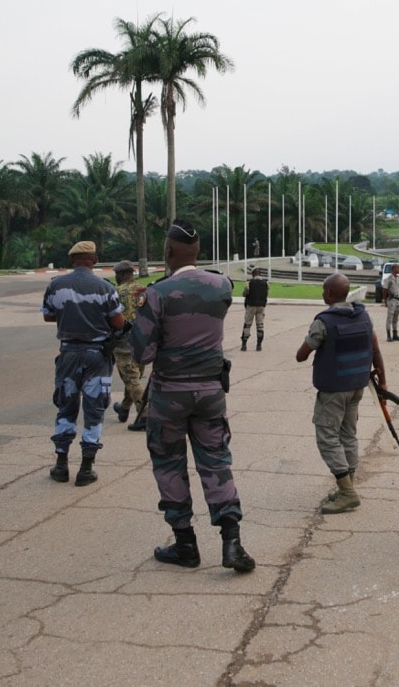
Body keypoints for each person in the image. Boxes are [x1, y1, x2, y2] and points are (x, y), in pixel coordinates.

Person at [129, 219, 255, 573]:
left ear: (168, 251)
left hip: (170, 393)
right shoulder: (221, 286)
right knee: (216, 461)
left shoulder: (158, 293)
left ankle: (185, 545)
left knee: (169, 464)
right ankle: (232, 543)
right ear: (197, 252)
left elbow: (141, 354)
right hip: (211, 391)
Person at [295, 273, 388, 514]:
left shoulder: (324, 321)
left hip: (334, 389)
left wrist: (308, 347)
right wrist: (384, 381)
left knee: (327, 437)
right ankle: (349, 485)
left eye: (324, 291)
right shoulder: (363, 316)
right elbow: (375, 349)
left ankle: (347, 493)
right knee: (348, 435)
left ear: (331, 294)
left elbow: (301, 354)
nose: (322, 294)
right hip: (357, 386)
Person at [41, 241, 125, 486]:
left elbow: (48, 314)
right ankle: (86, 468)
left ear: (71, 260)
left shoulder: (56, 285)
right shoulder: (105, 287)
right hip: (97, 356)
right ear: (95, 260)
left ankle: (60, 466)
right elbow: (118, 322)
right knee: (94, 410)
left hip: (68, 354)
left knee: (65, 408)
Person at [110, 260, 148, 430]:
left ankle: (145, 415)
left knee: (131, 379)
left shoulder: (116, 292)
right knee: (134, 377)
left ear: (121, 274)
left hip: (123, 341)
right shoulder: (144, 291)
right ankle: (124, 408)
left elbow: (110, 318)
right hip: (143, 341)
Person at [240, 267, 269, 351]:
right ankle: (259, 345)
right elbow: (266, 293)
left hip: (251, 306)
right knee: (260, 325)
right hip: (261, 306)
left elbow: (245, 293)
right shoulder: (266, 283)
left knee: (247, 324)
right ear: (260, 273)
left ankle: (244, 345)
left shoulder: (249, 283)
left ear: (253, 274)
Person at [382, 263, 399, 342]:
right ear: (394, 269)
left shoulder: (398, 279)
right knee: (390, 318)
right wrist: (385, 301)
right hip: (391, 300)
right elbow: (385, 290)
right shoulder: (388, 279)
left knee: (396, 318)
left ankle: (395, 334)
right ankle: (389, 336)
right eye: (398, 268)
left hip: (397, 300)